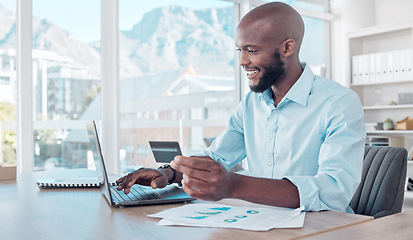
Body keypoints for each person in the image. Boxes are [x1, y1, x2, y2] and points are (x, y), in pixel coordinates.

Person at [116, 2, 366, 212]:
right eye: (240, 50)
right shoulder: (252, 103)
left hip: (322, 227)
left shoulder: (338, 103)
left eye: (252, 50)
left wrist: (235, 186)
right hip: (259, 221)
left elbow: (334, 191)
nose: (243, 61)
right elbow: (217, 157)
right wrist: (169, 173)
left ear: (288, 48)